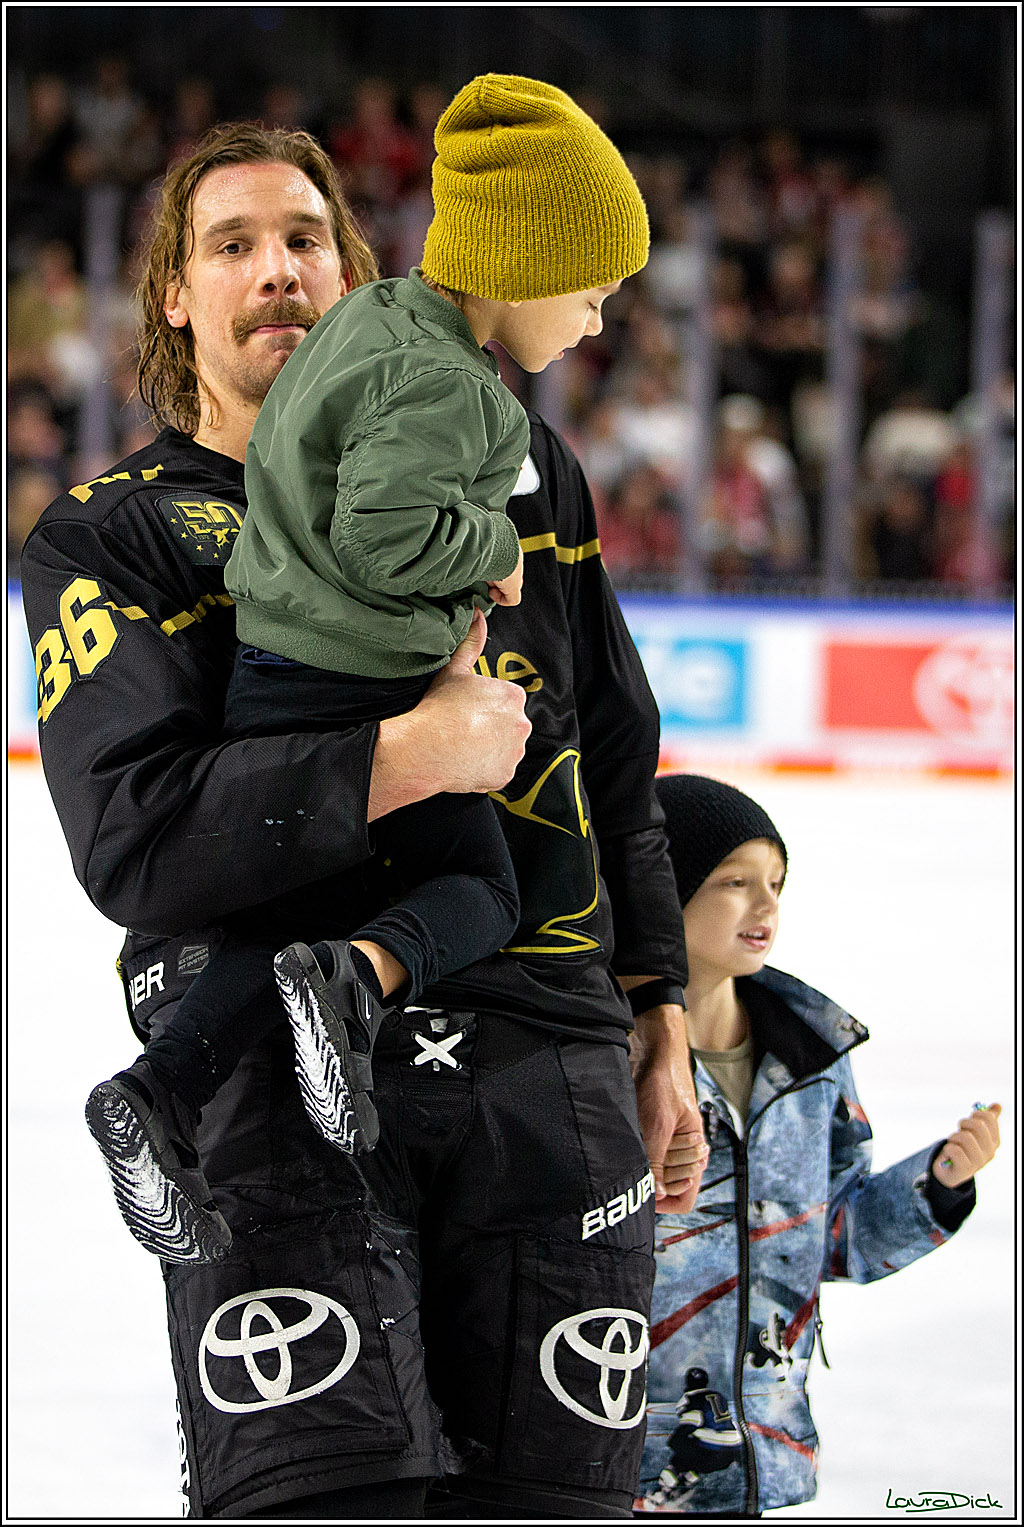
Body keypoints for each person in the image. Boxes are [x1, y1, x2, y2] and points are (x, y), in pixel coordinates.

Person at [20, 120, 701, 1520]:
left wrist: (662, 1004)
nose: (277, 270)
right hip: (275, 1079)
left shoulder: (519, 461)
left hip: (550, 1073)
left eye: (306, 237)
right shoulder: (115, 532)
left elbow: (615, 751)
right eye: (231, 244)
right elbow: (136, 837)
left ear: (359, 268)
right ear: (172, 293)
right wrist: (400, 752)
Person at [84, 74, 649, 1265]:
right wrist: (490, 551)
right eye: (592, 293)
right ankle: (355, 976)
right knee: (478, 885)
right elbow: (380, 537)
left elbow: (617, 739)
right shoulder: (466, 399)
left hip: (287, 672)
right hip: (353, 682)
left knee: (275, 920)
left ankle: (160, 1091)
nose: (597, 323)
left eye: (303, 239)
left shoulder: (381, 326)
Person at [636, 773, 1001, 1517]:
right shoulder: (609, 1056)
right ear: (659, 889)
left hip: (768, 1459)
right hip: (624, 1463)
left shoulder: (812, 1056)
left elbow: (834, 1242)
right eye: (734, 881)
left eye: (776, 881)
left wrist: (937, 1183)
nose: (766, 905)